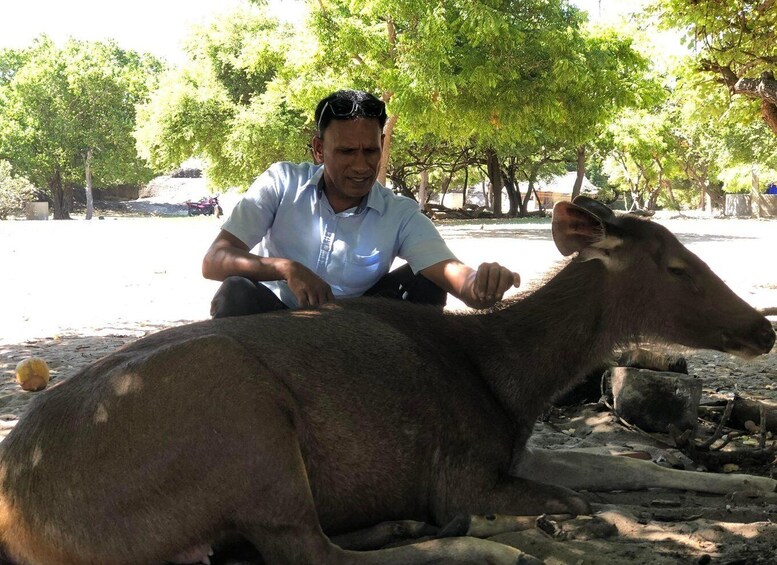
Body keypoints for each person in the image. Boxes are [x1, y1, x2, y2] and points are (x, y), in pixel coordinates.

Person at [203, 89, 520, 318]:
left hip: (360, 330)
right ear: (318, 149)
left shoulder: (400, 213)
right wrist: (286, 269)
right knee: (235, 292)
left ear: (381, 146)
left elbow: (453, 275)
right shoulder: (282, 182)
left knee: (424, 281)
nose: (361, 165)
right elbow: (215, 259)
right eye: (346, 152)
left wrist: (482, 285)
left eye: (370, 151)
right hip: (277, 319)